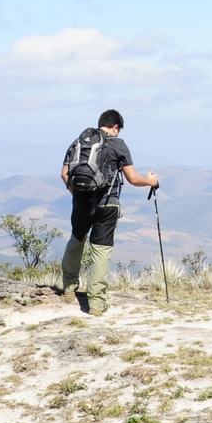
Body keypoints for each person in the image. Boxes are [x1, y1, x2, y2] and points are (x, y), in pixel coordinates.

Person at [59, 108, 158, 316]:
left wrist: (77, 195)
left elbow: (64, 174)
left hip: (81, 203)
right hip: (107, 205)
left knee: (76, 241)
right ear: (115, 127)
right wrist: (151, 181)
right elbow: (133, 179)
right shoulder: (118, 145)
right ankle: (96, 304)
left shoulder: (78, 142)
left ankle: (69, 288)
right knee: (101, 250)